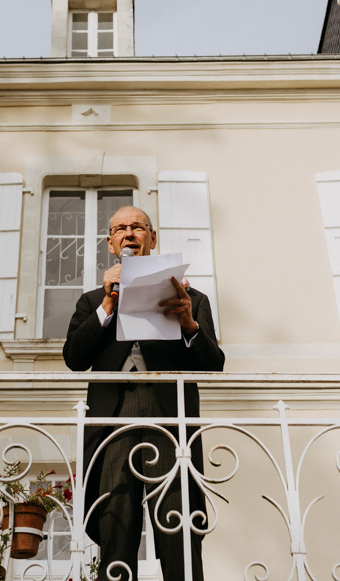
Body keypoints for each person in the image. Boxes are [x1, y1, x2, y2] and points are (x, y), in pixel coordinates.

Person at [63, 205, 224, 581]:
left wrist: (187, 322)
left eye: (138, 227)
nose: (130, 233)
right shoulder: (92, 301)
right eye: (121, 228)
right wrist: (107, 304)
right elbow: (74, 358)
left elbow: (213, 365)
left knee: (177, 521)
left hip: (169, 414)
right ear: (110, 242)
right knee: (116, 522)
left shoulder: (192, 298)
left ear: (153, 238)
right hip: (113, 415)